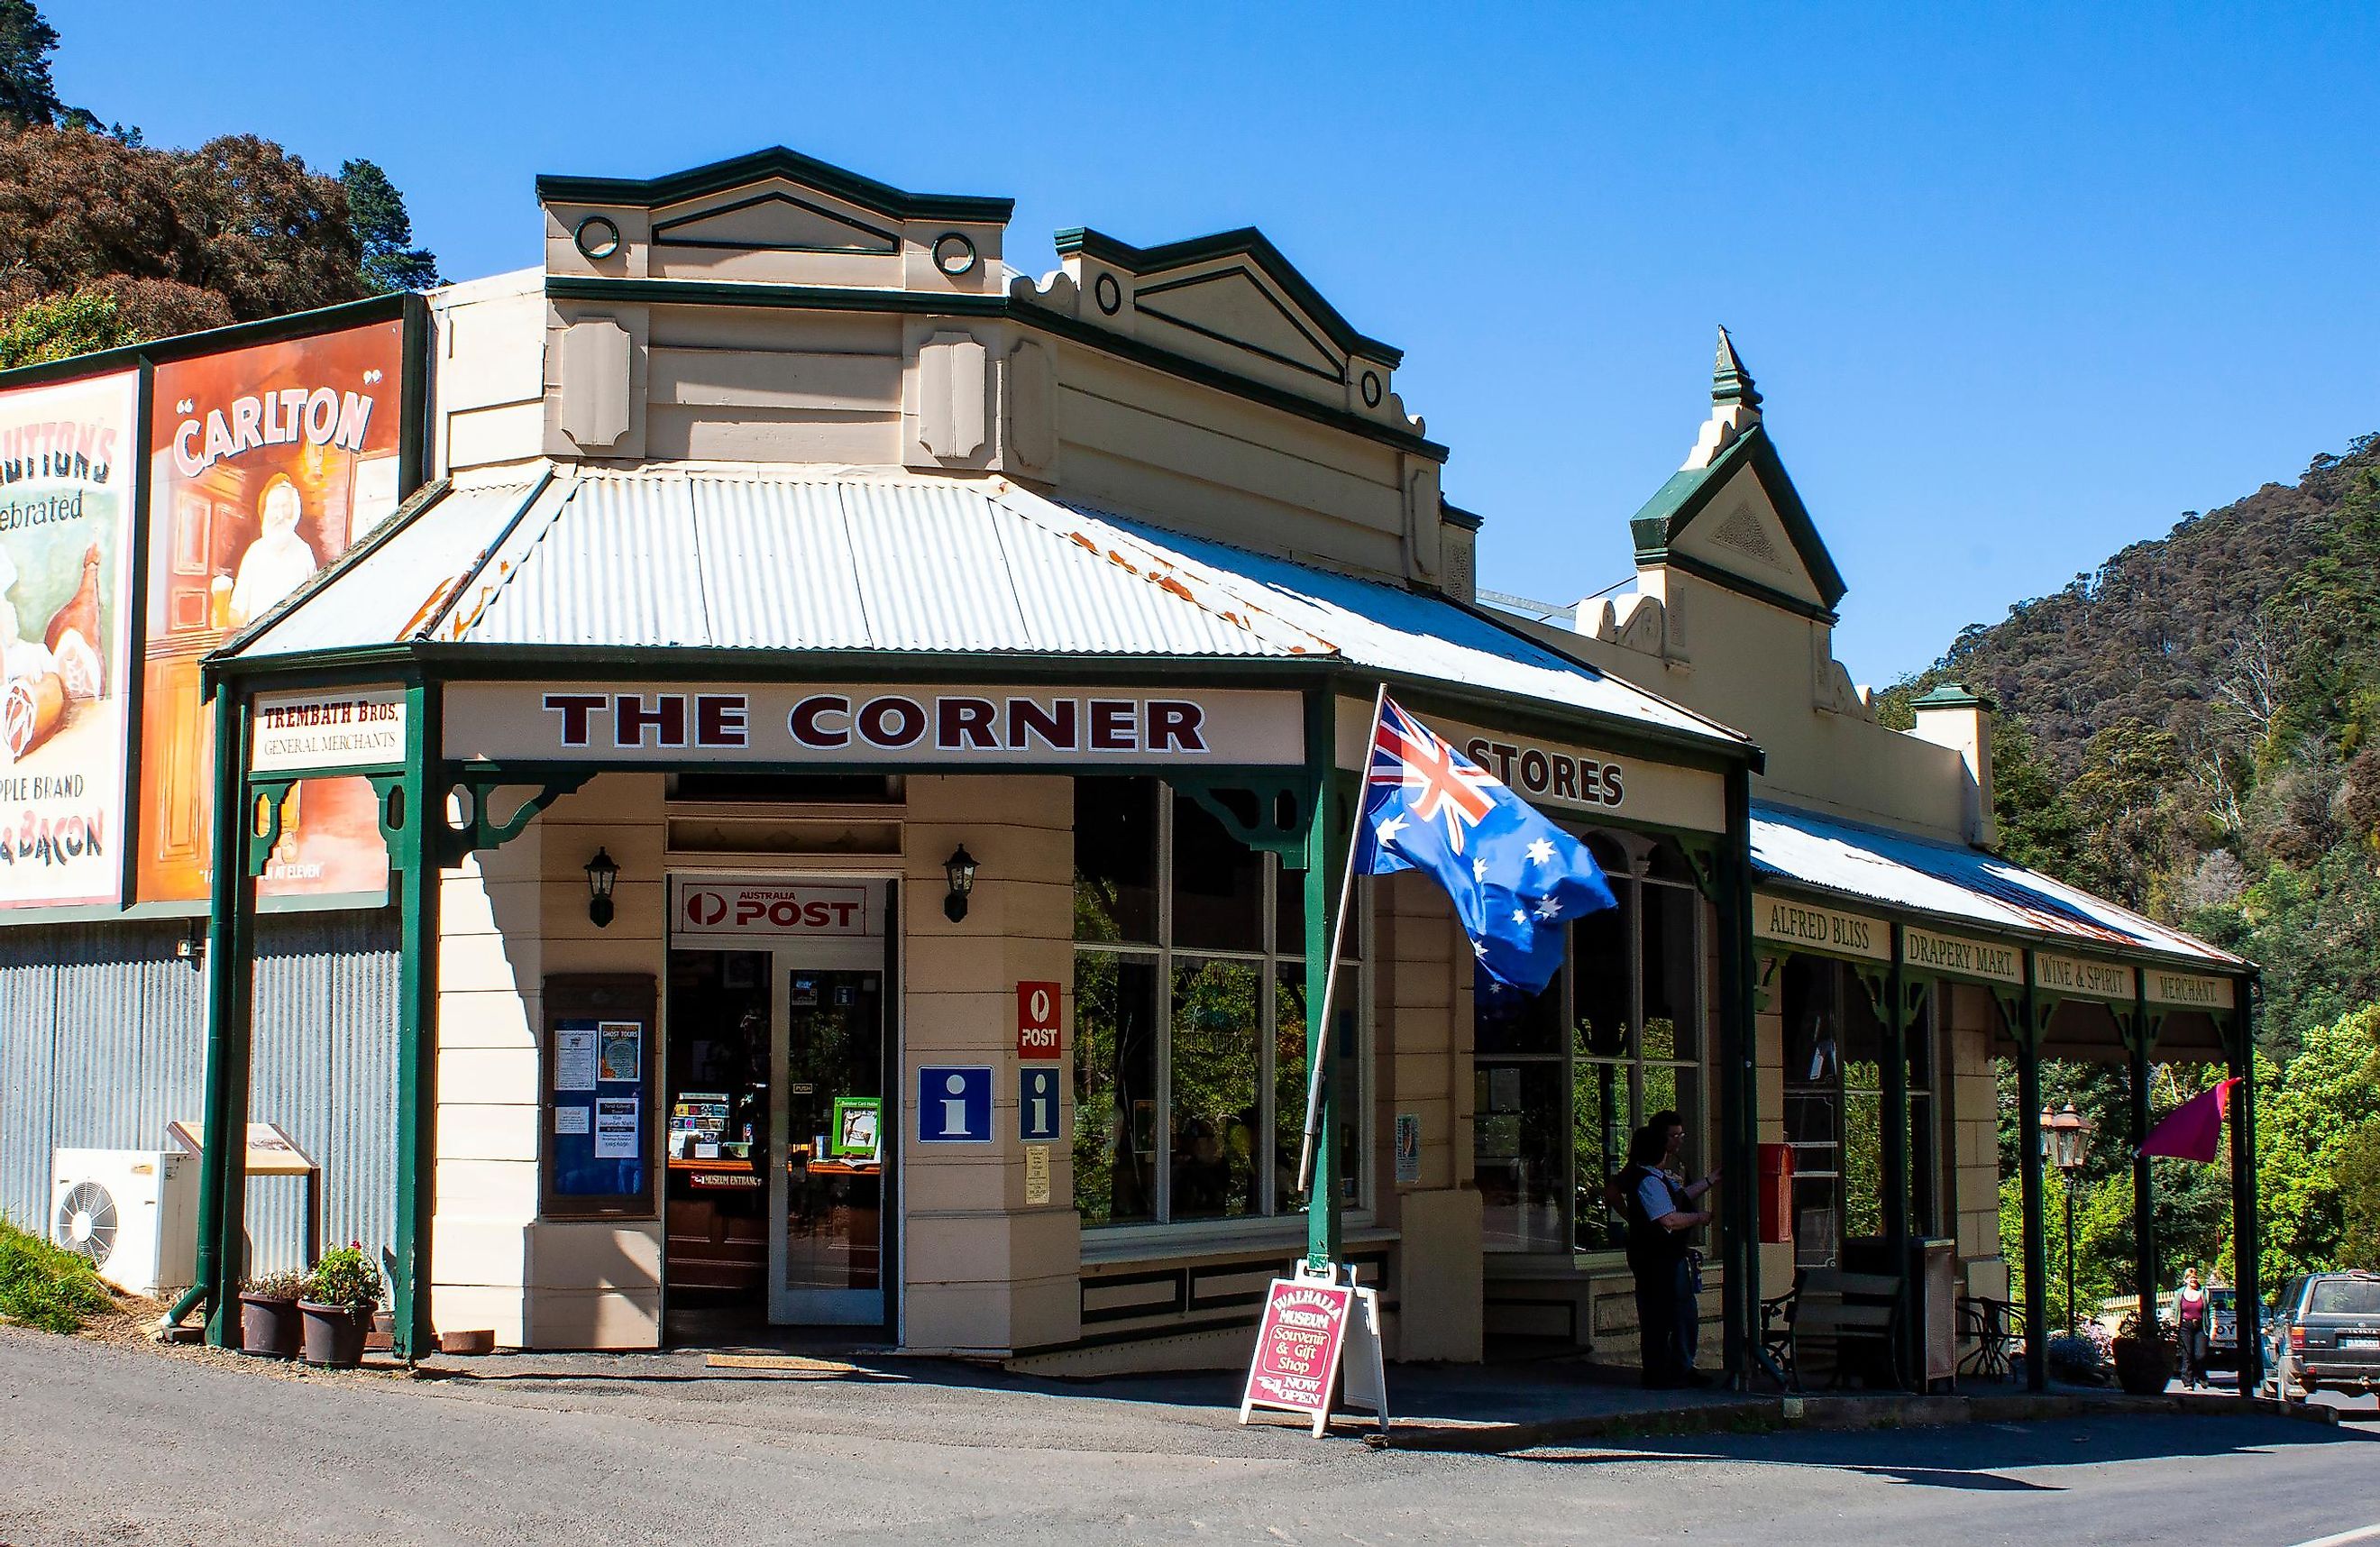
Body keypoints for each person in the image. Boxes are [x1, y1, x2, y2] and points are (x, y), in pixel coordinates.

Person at [1620, 1121, 1715, 1388]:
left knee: (1676, 1313)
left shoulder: (1652, 1178)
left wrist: (1710, 1181)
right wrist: (1701, 1217)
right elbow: (1668, 1219)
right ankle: (1663, 1371)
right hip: (1657, 1258)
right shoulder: (1648, 1181)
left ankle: (1676, 1366)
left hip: (1662, 1257)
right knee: (1663, 1314)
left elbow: (1679, 1195)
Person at [2174, 1266, 2211, 1389]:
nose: (2193, 1280)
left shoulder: (2204, 1292)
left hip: (2201, 1326)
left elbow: (2211, 1309)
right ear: (2185, 1280)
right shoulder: (2180, 1293)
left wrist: (2214, 1324)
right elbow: (2174, 1310)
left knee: (2200, 1354)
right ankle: (2188, 1382)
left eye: (2195, 1277)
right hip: (2185, 1326)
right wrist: (2173, 1324)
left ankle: (2202, 1376)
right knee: (2187, 1354)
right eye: (2190, 1278)